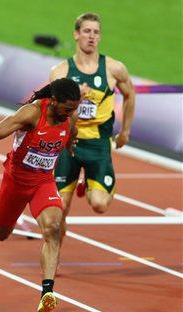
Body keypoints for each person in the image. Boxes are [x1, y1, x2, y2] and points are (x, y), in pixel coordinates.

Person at [0, 78, 80, 312]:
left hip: (43, 183)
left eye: (75, 108)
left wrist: (69, 147)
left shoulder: (69, 118)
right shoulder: (31, 113)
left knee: (53, 227)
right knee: (2, 234)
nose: (71, 113)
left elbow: (70, 132)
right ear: (54, 101)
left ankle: (47, 292)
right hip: (15, 183)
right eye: (67, 108)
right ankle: (4, 214)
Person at [50, 12, 136, 244]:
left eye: (96, 32)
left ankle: (88, 185)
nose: (92, 37)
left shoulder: (113, 69)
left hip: (98, 144)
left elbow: (130, 94)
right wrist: (75, 97)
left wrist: (125, 131)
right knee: (59, 211)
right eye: (87, 31)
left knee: (99, 204)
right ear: (76, 34)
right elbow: (51, 110)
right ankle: (54, 255)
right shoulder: (61, 72)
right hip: (69, 144)